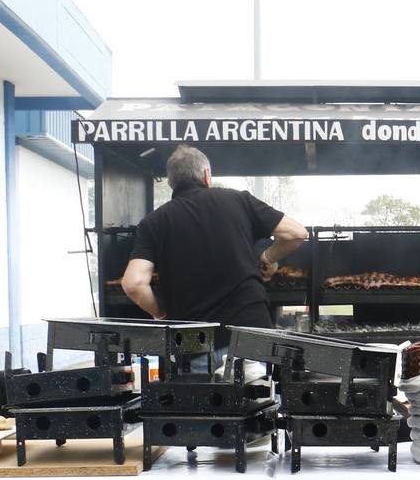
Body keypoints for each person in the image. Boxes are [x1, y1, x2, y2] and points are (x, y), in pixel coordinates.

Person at [121, 145, 307, 342]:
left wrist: (161, 313)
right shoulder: (239, 200)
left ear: (171, 183)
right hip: (249, 335)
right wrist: (268, 257)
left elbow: (134, 283)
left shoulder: (153, 222)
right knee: (254, 374)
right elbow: (296, 233)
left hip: (193, 343)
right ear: (206, 175)